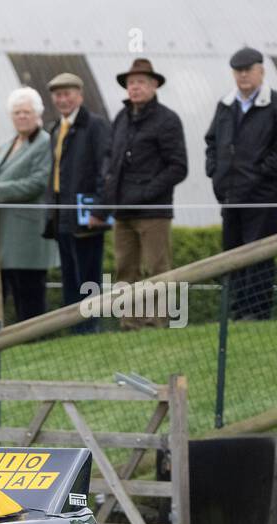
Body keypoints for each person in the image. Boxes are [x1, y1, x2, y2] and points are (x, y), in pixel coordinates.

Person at [205, 47, 277, 320]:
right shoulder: (225, 106)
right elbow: (211, 142)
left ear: (262, 71)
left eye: (249, 70)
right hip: (230, 195)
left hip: (263, 196)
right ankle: (236, 313)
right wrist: (215, 173)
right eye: (238, 71)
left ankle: (257, 314)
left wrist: (263, 174)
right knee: (233, 256)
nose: (243, 75)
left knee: (259, 255)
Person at [100, 58, 188, 329]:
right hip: (123, 211)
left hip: (153, 212)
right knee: (126, 268)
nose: (134, 87)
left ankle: (157, 321)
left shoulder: (167, 120)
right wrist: (109, 190)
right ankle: (131, 321)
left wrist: (147, 192)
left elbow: (178, 167)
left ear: (154, 86)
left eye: (140, 82)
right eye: (130, 83)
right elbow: (110, 158)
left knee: (157, 268)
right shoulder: (121, 118)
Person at [0, 88, 56, 323]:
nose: (21, 117)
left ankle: (36, 343)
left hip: (28, 235)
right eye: (17, 112)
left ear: (38, 114)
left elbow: (38, 182)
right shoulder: (9, 144)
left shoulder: (44, 143)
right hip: (6, 234)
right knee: (11, 292)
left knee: (30, 294)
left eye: (26, 112)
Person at [43, 73, 110, 332]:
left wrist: (100, 209)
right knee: (69, 273)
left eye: (67, 94)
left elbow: (105, 168)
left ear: (80, 95)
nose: (63, 100)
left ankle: (90, 326)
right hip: (62, 211)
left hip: (86, 212)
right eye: (58, 95)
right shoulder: (55, 129)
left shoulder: (95, 125)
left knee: (88, 272)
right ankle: (73, 327)